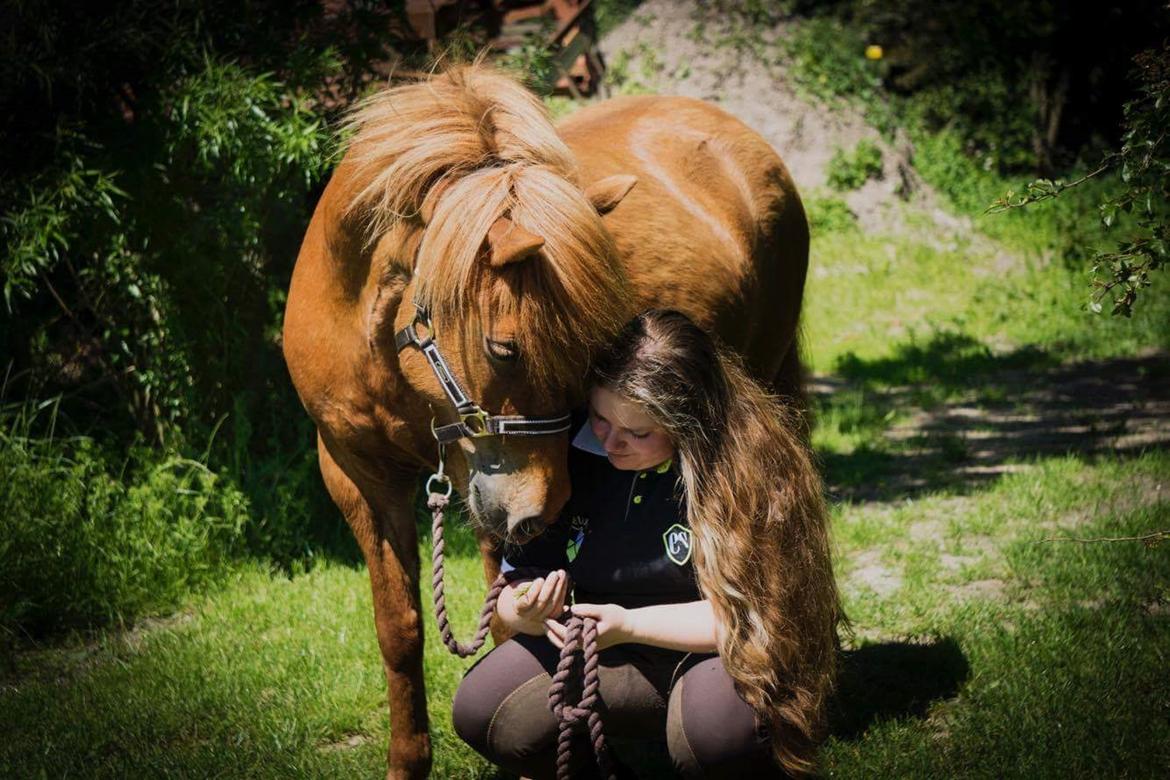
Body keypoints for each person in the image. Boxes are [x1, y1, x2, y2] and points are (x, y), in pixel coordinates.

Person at [452, 309, 842, 778]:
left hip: (723, 657)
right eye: (600, 418)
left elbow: (752, 619)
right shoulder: (576, 450)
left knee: (713, 738)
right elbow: (514, 584)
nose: (612, 443)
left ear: (688, 425)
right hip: (611, 647)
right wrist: (527, 611)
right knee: (482, 709)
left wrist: (628, 624)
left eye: (639, 433)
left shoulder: (748, 471)